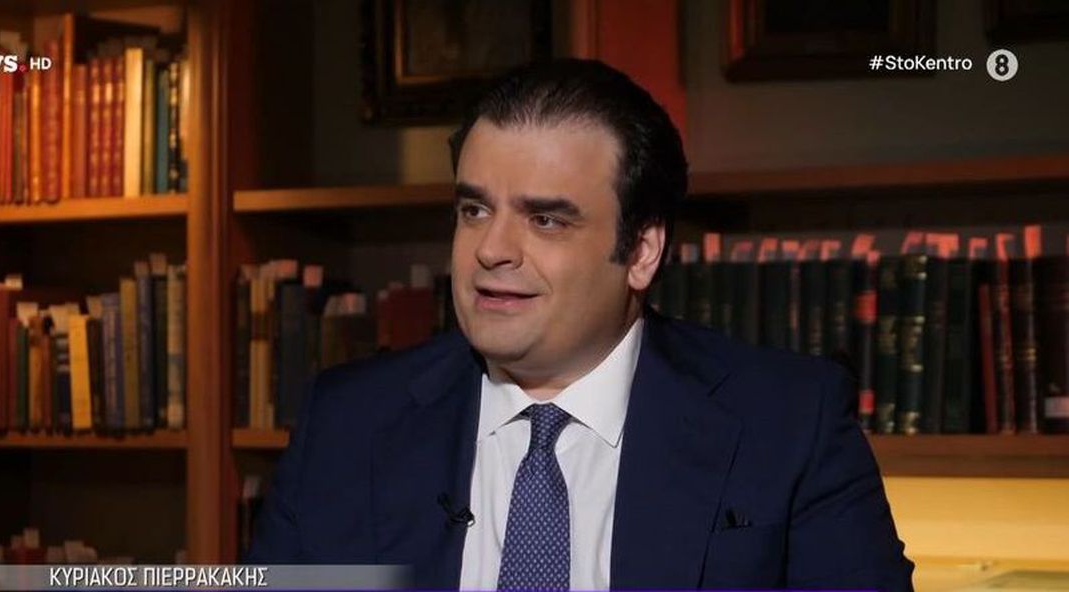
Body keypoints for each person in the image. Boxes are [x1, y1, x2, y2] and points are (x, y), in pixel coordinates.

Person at [246, 58, 914, 591]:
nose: (490, 250)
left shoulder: (789, 424)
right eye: (474, 210)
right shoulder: (348, 422)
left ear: (641, 251)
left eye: (545, 220)